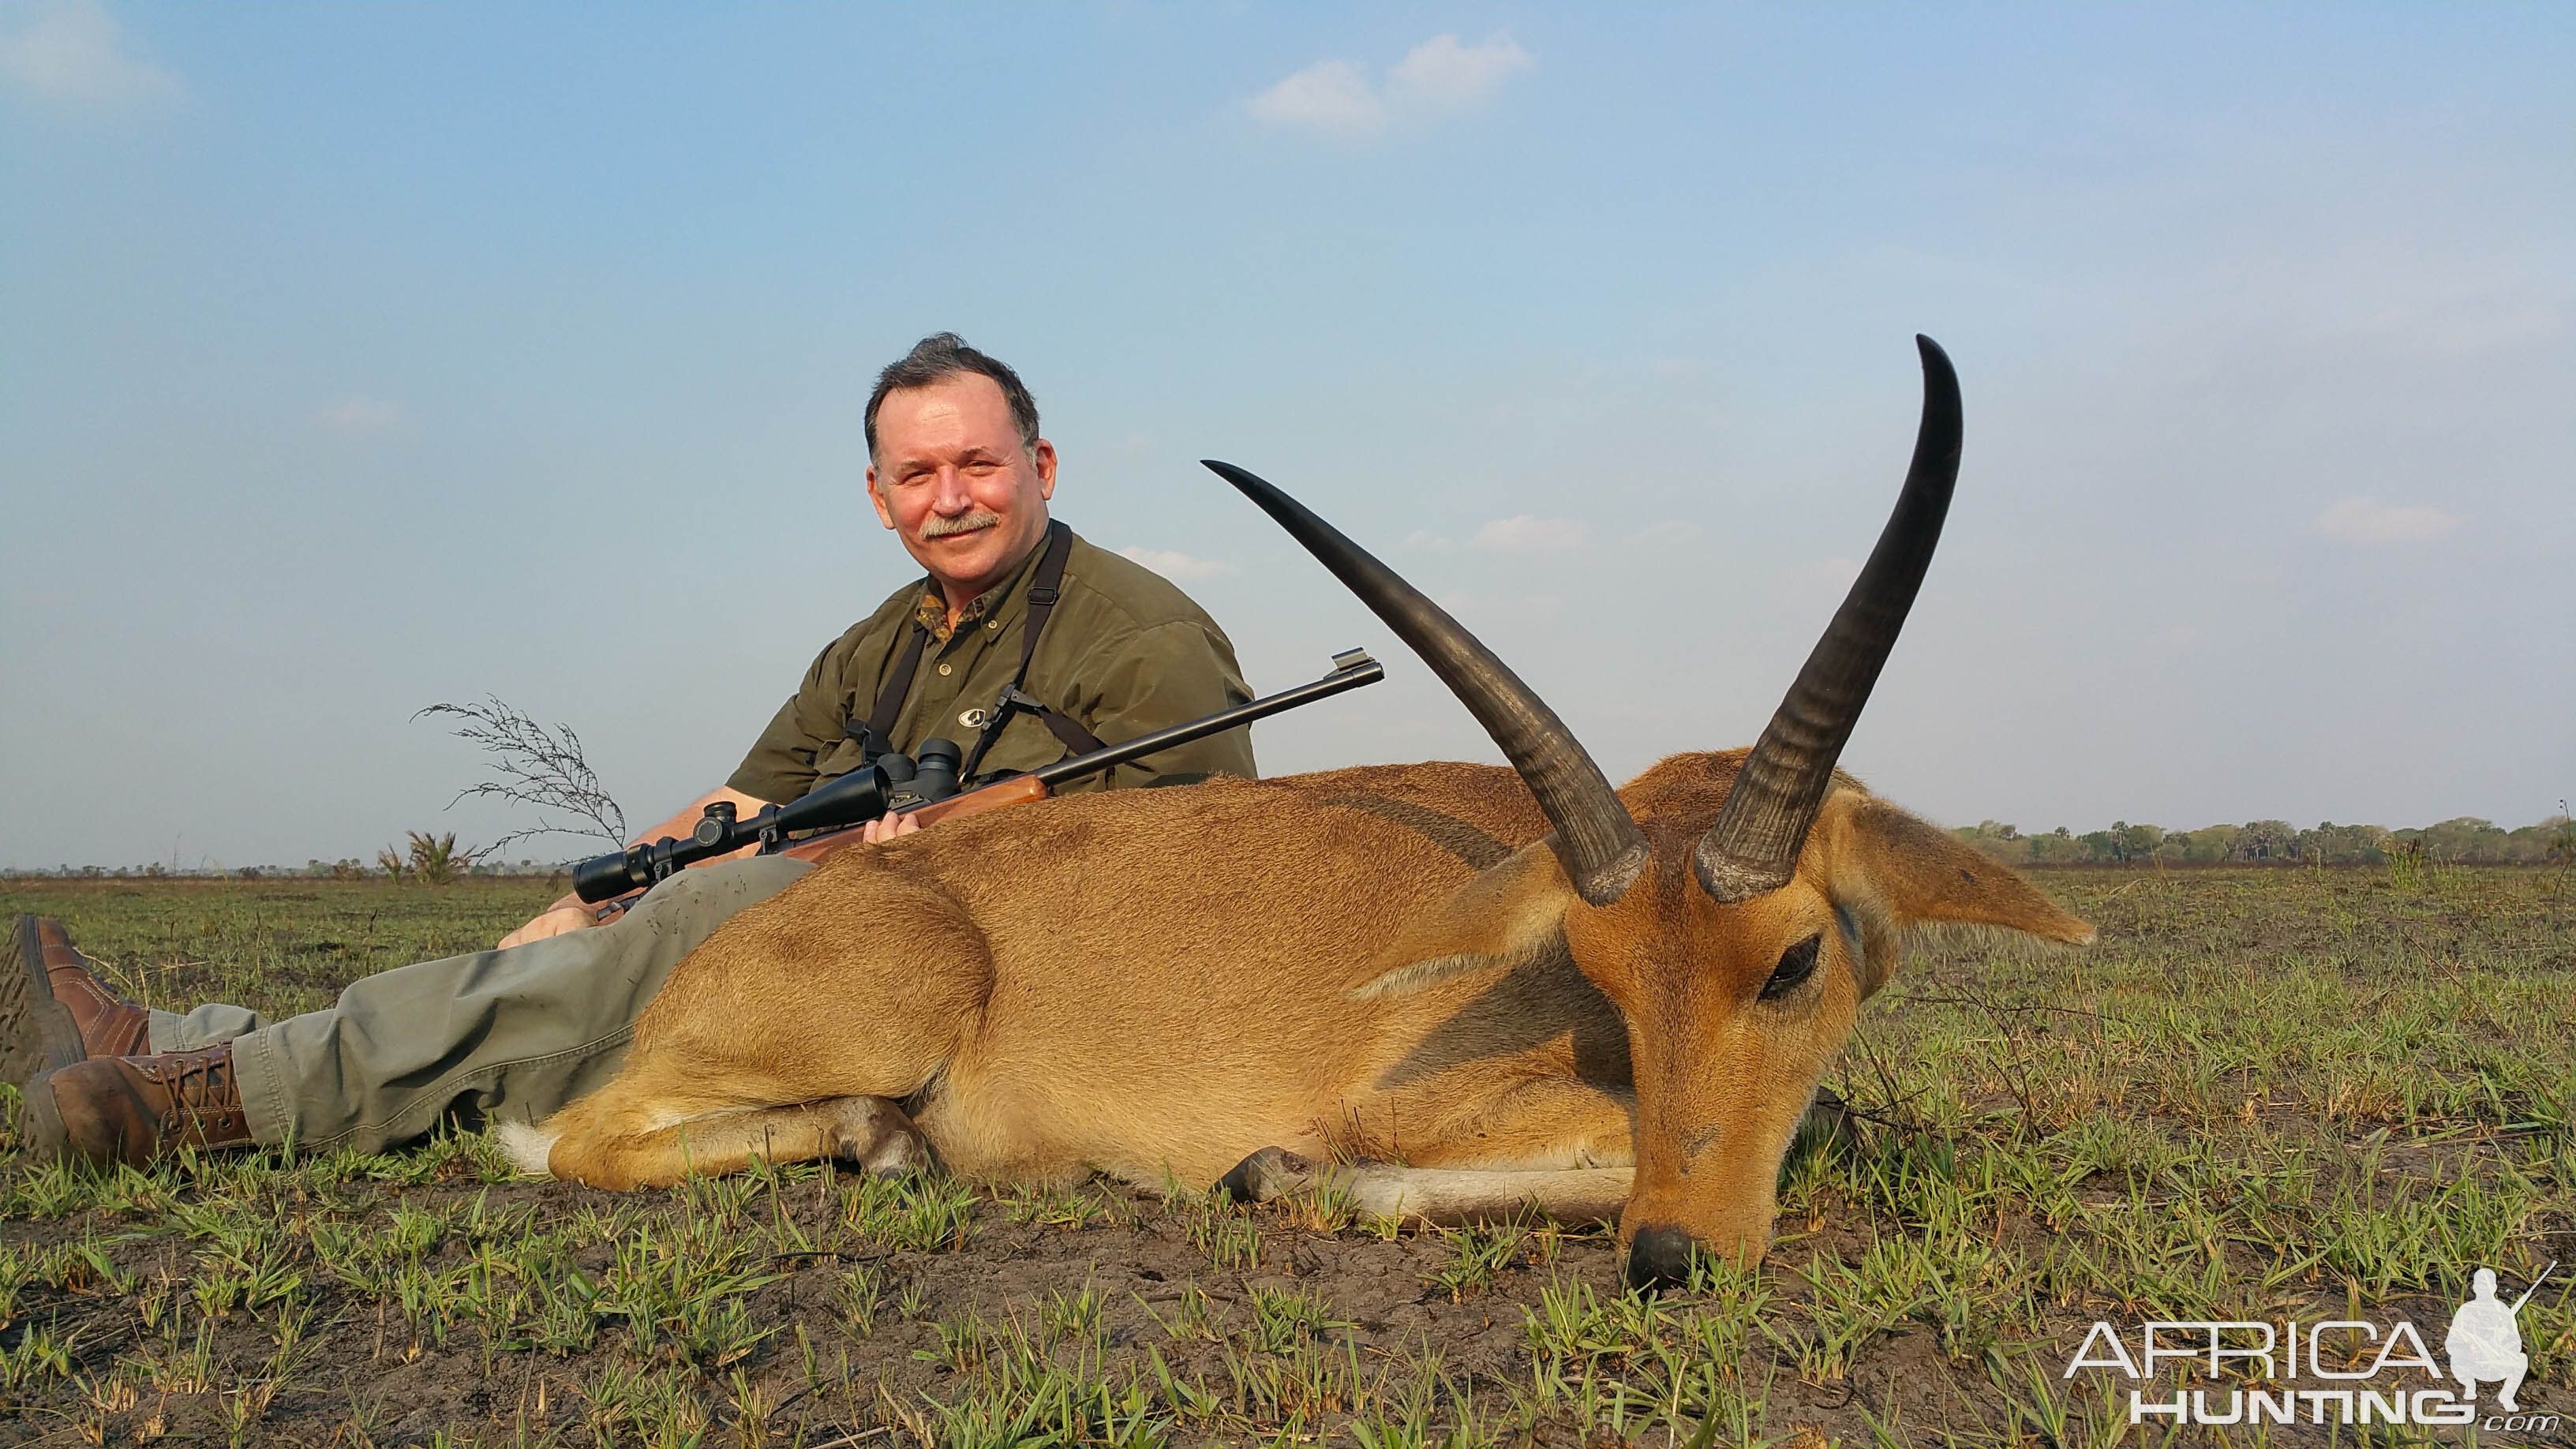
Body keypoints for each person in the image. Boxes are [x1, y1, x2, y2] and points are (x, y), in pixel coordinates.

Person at [6, 334, 1256, 1168]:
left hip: (980, 978)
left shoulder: (1141, 634)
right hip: (841, 922)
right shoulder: (883, 639)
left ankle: (209, 1101)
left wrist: (946, 849)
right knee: (567, 954)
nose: (953, 497)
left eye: (980, 464)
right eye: (918, 473)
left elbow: (1202, 880)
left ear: (1038, 467)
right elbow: (744, 799)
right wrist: (590, 894)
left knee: (682, 929)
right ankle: (183, 1041)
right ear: (878, 495)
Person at [2447, 1267, 2530, 1413]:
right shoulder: (2466, 1310)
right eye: (2480, 1284)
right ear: (2474, 1287)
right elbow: (2451, 1342)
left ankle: (2506, 1396)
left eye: (2488, 1284)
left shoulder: (2503, 1311)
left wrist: (2501, 1343)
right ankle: (2470, 1386)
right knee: (2457, 1357)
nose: (2484, 1288)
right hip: (2472, 1362)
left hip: (2496, 1363)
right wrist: (2470, 1346)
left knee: (2522, 1359)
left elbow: (2516, 1343)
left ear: (2495, 1287)